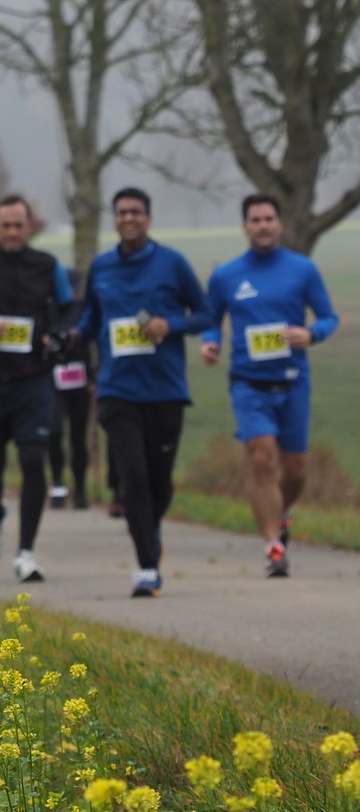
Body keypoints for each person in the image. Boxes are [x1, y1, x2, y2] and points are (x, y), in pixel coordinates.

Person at [197, 193, 338, 578]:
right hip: (248, 383)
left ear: (280, 224)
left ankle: (283, 513)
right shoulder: (226, 276)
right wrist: (210, 343)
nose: (263, 226)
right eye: (255, 220)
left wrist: (311, 334)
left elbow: (329, 317)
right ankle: (273, 548)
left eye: (268, 219)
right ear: (245, 227)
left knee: (296, 472)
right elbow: (211, 319)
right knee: (261, 459)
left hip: (293, 381)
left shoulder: (302, 270)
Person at [80, 186, 206, 597]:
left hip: (165, 388)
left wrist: (171, 325)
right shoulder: (101, 267)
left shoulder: (172, 263)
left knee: (158, 482)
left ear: (148, 218)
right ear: (114, 219)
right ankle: (147, 567)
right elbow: (90, 320)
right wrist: (68, 337)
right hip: (117, 389)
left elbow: (205, 314)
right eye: (121, 212)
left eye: (135, 212)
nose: (128, 218)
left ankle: (150, 530)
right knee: (132, 477)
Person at [0, 195, 74, 583]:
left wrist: (59, 335)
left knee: (33, 459)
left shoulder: (47, 265)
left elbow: (69, 308)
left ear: (30, 227)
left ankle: (26, 551)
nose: (12, 232)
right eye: (5, 226)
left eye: (18, 225)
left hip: (33, 379)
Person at [47, 275, 94, 511]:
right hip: (52, 379)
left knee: (78, 437)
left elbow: (91, 342)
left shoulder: (84, 310)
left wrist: (93, 377)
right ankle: (58, 485)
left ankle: (81, 491)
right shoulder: (48, 309)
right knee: (54, 432)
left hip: (79, 380)